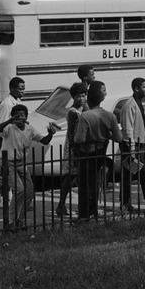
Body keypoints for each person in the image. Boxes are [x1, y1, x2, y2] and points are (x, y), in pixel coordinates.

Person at [0, 104, 57, 228]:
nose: (20, 118)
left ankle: (20, 219)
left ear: (26, 116)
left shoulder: (30, 129)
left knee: (28, 191)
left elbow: (44, 141)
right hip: (9, 163)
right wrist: (10, 120)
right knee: (19, 190)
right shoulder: (9, 128)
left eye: (22, 115)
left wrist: (50, 134)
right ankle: (11, 220)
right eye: (17, 115)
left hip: (21, 163)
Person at [73, 81, 123, 220]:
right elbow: (118, 138)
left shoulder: (86, 116)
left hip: (86, 153)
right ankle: (94, 210)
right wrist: (105, 135)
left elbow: (79, 139)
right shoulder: (110, 116)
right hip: (101, 151)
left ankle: (84, 214)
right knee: (95, 182)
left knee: (84, 184)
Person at [118, 78, 145, 213]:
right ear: (136, 89)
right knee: (128, 176)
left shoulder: (139, 103)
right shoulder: (130, 105)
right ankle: (125, 203)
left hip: (141, 144)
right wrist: (132, 150)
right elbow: (128, 129)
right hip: (133, 146)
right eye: (144, 87)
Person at [56, 82, 88, 217]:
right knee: (70, 176)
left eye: (83, 96)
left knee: (75, 176)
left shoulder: (83, 108)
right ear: (73, 97)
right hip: (73, 146)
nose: (81, 99)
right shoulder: (73, 112)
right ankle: (61, 204)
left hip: (79, 145)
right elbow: (71, 132)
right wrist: (74, 150)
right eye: (78, 96)